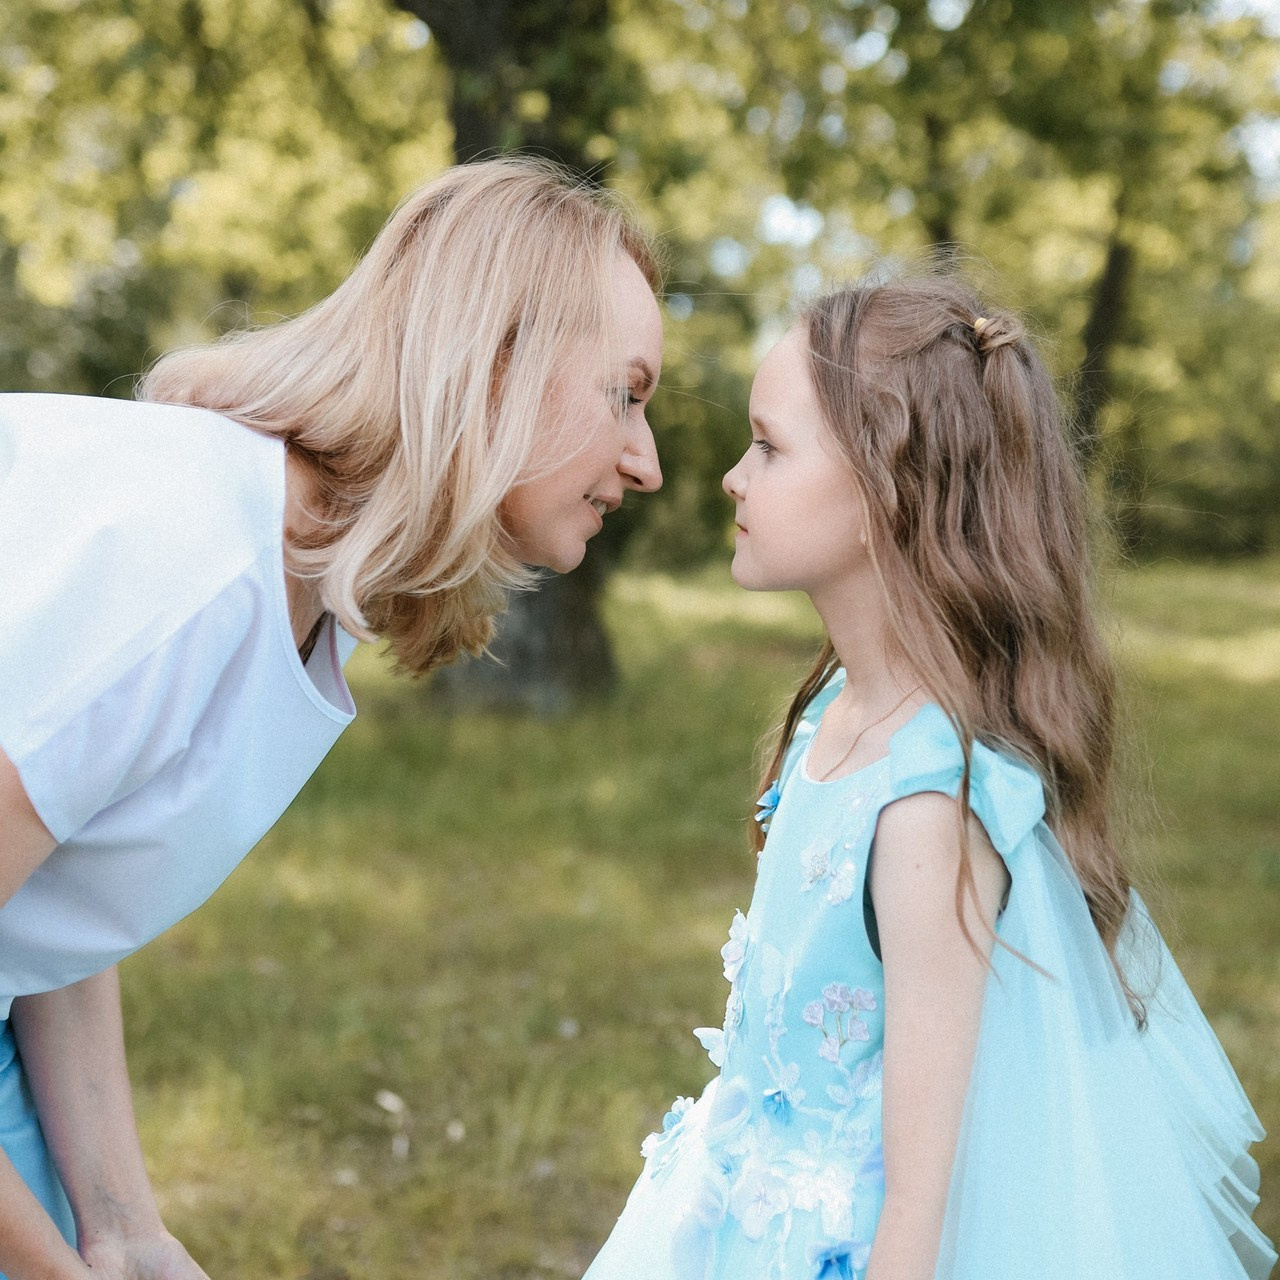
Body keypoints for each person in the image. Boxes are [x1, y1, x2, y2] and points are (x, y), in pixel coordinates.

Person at [0, 154, 665, 1280]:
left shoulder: (301, 576)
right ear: (492, 361)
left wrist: (123, 1228)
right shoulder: (188, 568)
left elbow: (55, 896)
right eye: (627, 392)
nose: (645, 461)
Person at [584, 274, 1275, 1280]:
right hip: (735, 1214)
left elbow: (921, 1187)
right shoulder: (835, 713)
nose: (733, 477)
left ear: (885, 490)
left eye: (769, 447)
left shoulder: (925, 808)